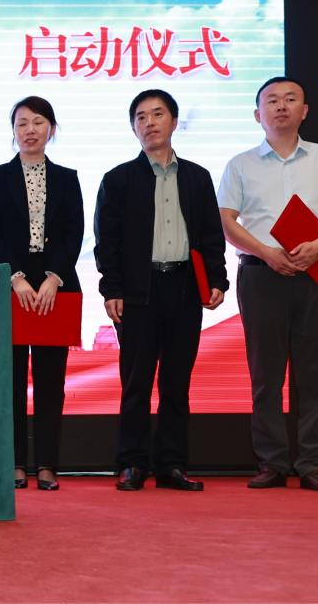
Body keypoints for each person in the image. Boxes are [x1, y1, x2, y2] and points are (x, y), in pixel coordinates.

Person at [217, 76, 318, 492]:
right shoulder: (240, 164)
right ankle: (272, 462)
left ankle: (313, 462)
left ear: (304, 110)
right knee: (265, 373)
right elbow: (227, 220)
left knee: (317, 371)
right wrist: (266, 252)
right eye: (272, 101)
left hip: (315, 273)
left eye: (290, 99)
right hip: (260, 275)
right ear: (257, 114)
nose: (281, 106)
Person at [94, 89, 227, 492]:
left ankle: (171, 464)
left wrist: (217, 280)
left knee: (176, 382)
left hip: (184, 289)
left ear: (174, 121)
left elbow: (211, 235)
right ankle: (132, 463)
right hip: (139, 292)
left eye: (157, 114)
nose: (149, 123)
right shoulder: (118, 179)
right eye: (141, 117)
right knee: (136, 382)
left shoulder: (197, 177)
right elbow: (107, 242)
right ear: (133, 127)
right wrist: (111, 288)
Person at [0, 96, 83, 491]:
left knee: (51, 379)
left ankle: (48, 464)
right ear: (14, 131)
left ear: (51, 129)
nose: (30, 130)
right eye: (22, 123)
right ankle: (16, 462)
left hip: (55, 284)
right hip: (8, 282)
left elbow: (74, 231)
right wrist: (16, 278)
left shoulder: (67, 178)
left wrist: (54, 277)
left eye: (38, 122)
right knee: (11, 379)